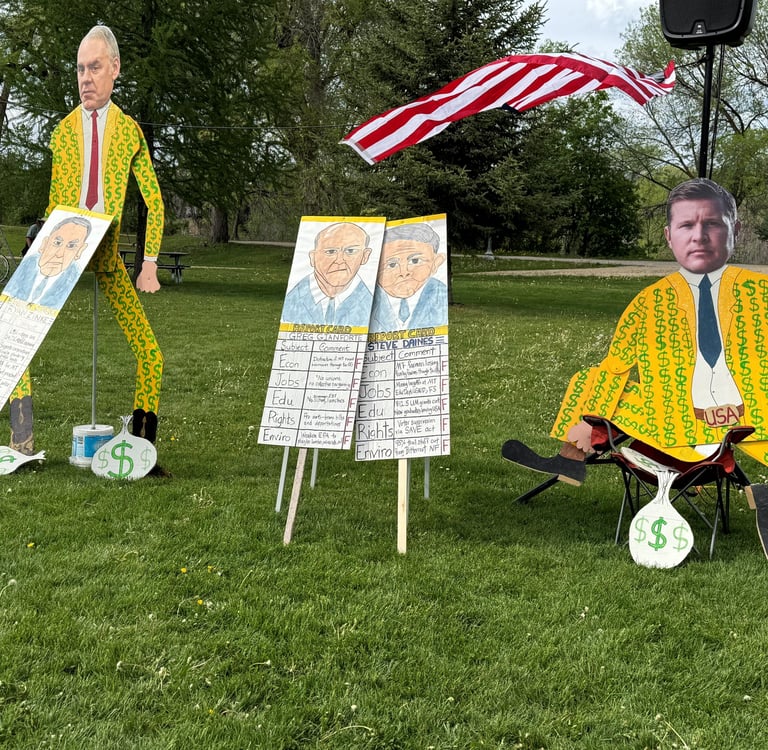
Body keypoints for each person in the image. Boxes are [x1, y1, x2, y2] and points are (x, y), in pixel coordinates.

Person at [503, 178, 768, 486]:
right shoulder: (649, 302)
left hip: (748, 414)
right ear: (669, 236)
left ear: (735, 230)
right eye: (686, 226)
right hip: (672, 417)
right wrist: (587, 422)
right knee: (593, 378)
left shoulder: (761, 292)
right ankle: (570, 458)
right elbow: (614, 368)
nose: (699, 236)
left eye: (712, 223)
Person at [7, 25, 165, 467]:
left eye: (94, 67)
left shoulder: (130, 132)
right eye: (80, 69)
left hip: (108, 257)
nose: (85, 78)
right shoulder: (62, 134)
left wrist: (149, 262)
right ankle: (22, 444)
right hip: (61, 254)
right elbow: (56, 200)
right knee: (14, 340)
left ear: (115, 69)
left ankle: (143, 448)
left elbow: (154, 201)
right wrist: (36, 247)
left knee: (150, 353)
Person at [281, 222, 374, 326]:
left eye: (350, 251)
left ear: (365, 256)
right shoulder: (293, 299)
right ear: (313, 257)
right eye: (331, 252)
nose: (340, 260)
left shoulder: (374, 302)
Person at [369, 222, 447, 332]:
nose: (404, 272)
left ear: (435, 263)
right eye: (391, 265)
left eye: (415, 261)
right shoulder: (365, 299)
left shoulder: (440, 296)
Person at [4, 216, 91, 308]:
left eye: (71, 246)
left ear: (79, 251)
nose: (60, 254)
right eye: (57, 243)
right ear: (44, 243)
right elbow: (28, 237)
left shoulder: (71, 274)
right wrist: (31, 249)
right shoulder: (34, 230)